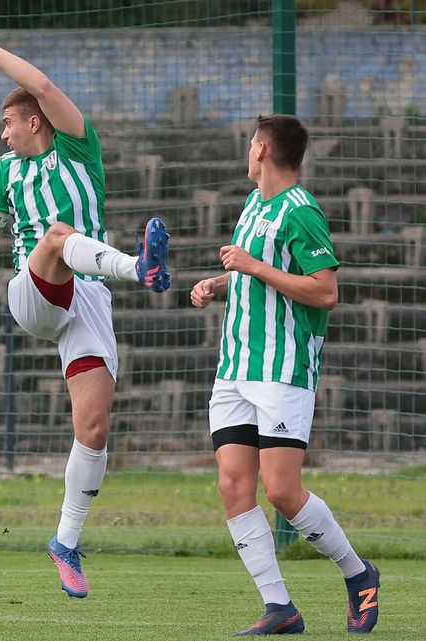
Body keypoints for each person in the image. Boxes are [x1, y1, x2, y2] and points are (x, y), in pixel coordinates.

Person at [0, 21, 170, 599]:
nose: (2, 135)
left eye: (7, 123)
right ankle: (138, 268)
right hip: (34, 292)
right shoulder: (6, 173)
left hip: (87, 298)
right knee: (55, 236)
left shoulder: (78, 144)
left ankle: (65, 542)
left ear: (33, 121)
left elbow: (44, 84)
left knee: (94, 427)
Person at [191, 114, 379, 635]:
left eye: (252, 142)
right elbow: (258, 276)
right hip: (235, 367)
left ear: (264, 151)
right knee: (234, 486)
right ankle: (280, 608)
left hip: (282, 369)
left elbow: (324, 291)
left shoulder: (302, 210)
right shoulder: (254, 204)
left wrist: (251, 268)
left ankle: (359, 574)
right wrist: (219, 284)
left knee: (281, 491)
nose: (248, 149)